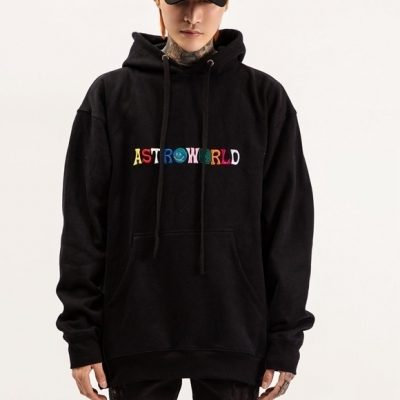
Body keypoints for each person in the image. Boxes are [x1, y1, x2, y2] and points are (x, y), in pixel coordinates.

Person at [55, 0, 316, 399]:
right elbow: (84, 223)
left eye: (206, 3)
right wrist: (82, 335)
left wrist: (285, 338)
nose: (192, 17)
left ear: (225, 7)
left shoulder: (264, 98)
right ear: (159, 4)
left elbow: (289, 225)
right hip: (135, 332)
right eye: (179, 1)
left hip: (234, 332)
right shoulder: (111, 95)